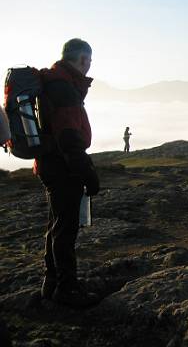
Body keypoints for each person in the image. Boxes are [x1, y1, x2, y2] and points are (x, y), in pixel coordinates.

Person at [35, 38, 100, 308]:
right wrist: (87, 173)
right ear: (82, 60)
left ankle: (51, 284)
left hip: (49, 164)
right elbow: (69, 136)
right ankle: (67, 289)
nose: (89, 67)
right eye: (89, 62)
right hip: (63, 167)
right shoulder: (64, 87)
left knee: (56, 226)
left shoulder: (53, 81)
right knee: (66, 228)